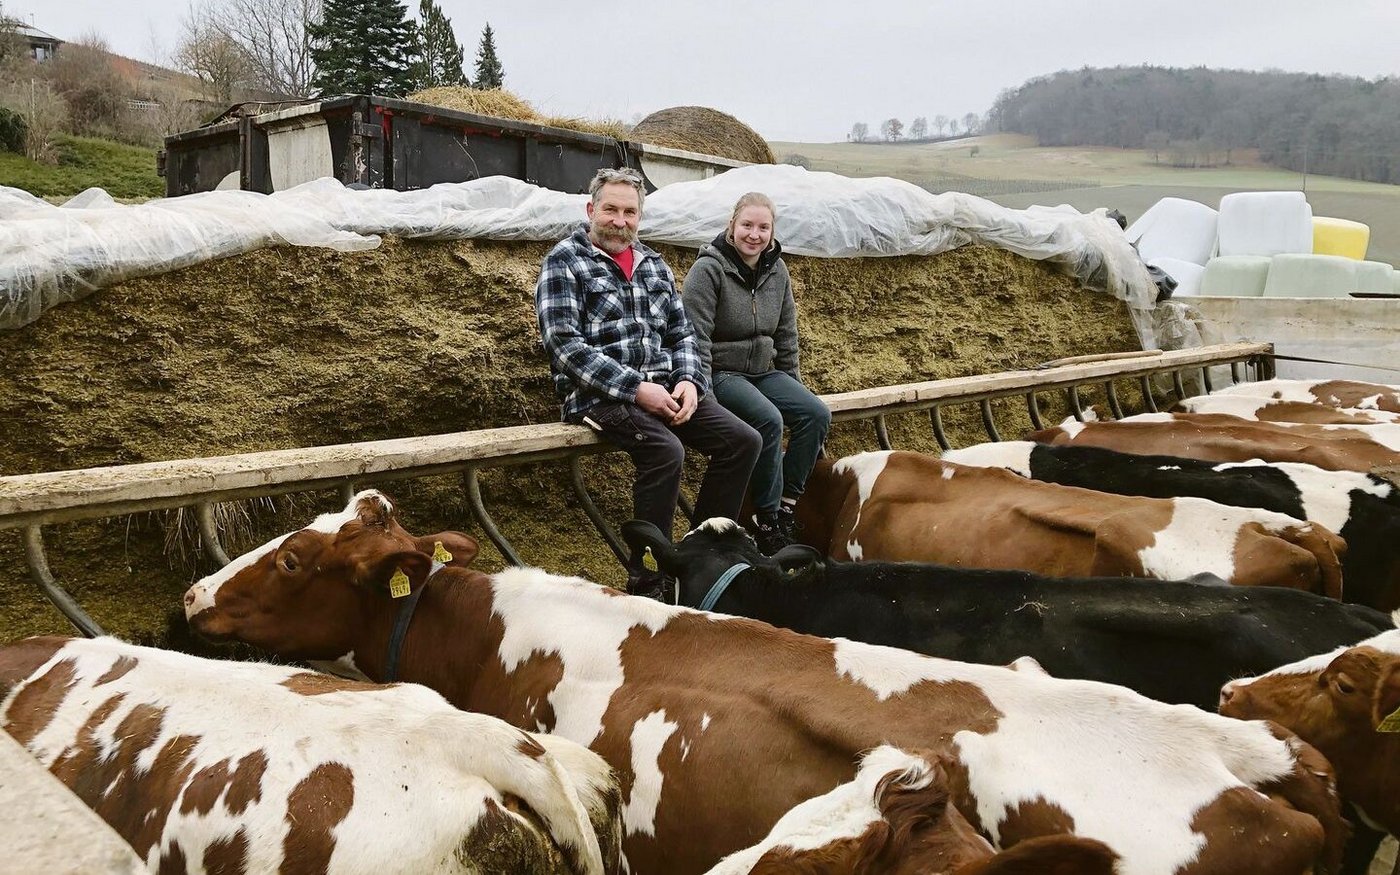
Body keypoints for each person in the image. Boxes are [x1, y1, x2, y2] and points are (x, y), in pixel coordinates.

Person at [535, 168, 762, 600]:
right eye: (611, 210)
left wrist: (690, 382)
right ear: (591, 210)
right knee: (665, 450)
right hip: (599, 395)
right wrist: (637, 389)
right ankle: (648, 578)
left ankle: (705, 556)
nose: (620, 221)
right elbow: (564, 345)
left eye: (630, 212)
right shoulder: (564, 261)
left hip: (664, 388)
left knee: (743, 441)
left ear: (639, 216)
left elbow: (682, 335)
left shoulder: (653, 264)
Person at [682, 192, 831, 555]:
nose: (755, 234)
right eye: (747, 225)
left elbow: (786, 333)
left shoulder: (776, 270)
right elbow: (694, 337)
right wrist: (709, 401)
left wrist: (794, 384)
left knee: (815, 413)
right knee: (769, 419)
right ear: (732, 226)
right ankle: (765, 520)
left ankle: (786, 504)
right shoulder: (709, 270)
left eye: (764, 227)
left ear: (772, 231)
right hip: (722, 372)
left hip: (763, 371)